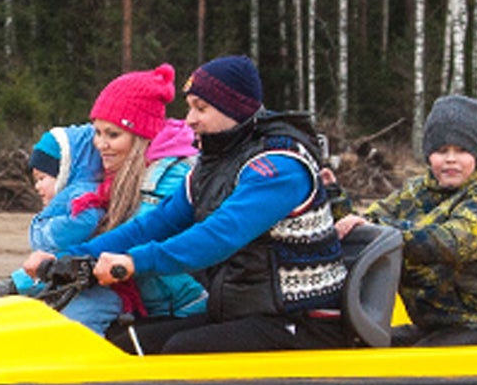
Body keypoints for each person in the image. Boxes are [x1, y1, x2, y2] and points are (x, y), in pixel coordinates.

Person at [81, 56, 349, 354]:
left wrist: (134, 262)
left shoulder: (279, 167)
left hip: (302, 320)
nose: (189, 119)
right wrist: (71, 257)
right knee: (127, 344)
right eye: (190, 107)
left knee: (179, 350)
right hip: (245, 311)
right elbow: (153, 226)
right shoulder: (214, 166)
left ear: (233, 110)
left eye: (201, 108)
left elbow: (218, 236)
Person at [0, 65, 206, 331]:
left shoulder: (170, 175)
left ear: (142, 136)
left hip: (183, 308)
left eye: (113, 134)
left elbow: (130, 238)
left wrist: (44, 271)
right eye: (98, 132)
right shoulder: (115, 175)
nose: (101, 144)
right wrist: (13, 285)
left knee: (74, 322)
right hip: (139, 297)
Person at [339, 92, 477, 346]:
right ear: (429, 156)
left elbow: (454, 242)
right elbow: (369, 221)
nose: (450, 159)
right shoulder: (416, 191)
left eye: (461, 150)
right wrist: (335, 202)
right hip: (435, 324)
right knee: (363, 343)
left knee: (414, 363)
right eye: (441, 150)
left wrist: (388, 232)